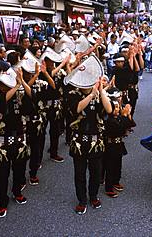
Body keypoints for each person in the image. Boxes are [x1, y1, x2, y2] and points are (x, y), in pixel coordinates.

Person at [66, 63, 112, 215]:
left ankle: (93, 196)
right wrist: (91, 95)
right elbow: (77, 109)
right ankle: (81, 200)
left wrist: (100, 91)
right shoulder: (73, 94)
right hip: (78, 140)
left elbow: (109, 109)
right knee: (79, 173)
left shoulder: (98, 94)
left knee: (96, 172)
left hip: (95, 140)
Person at [0, 67, 32, 218]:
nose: (3, 86)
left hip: (19, 139)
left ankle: (17, 192)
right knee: (2, 174)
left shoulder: (19, 95)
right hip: (2, 141)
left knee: (19, 170)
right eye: (2, 84)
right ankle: (2, 201)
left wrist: (22, 84)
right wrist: (16, 86)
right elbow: (1, 103)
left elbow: (30, 104)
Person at [104, 98, 132, 198]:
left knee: (118, 165)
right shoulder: (108, 120)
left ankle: (116, 181)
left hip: (118, 145)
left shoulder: (119, 118)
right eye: (114, 107)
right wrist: (124, 116)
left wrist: (128, 115)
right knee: (110, 167)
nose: (117, 109)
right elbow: (118, 129)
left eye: (118, 107)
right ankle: (108, 187)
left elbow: (130, 125)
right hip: (110, 146)